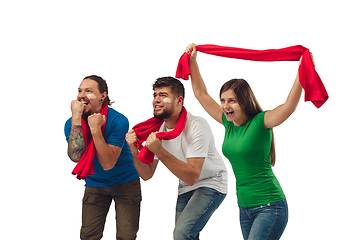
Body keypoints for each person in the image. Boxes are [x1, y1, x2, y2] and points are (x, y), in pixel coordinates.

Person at [185, 43, 314, 240]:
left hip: (270, 207)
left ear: (244, 101)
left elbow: (288, 107)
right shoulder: (228, 123)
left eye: (232, 101)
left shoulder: (261, 122)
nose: (225, 106)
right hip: (244, 208)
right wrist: (193, 61)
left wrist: (301, 71)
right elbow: (201, 94)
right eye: (223, 100)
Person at [125, 77, 228, 240]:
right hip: (185, 186)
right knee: (182, 236)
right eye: (155, 95)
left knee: (182, 233)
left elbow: (193, 176)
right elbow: (146, 174)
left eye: (163, 95)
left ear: (179, 100)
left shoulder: (197, 125)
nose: (156, 100)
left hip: (211, 182)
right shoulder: (158, 130)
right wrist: (132, 150)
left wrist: (159, 150)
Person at [64, 75, 141, 240]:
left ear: (103, 96)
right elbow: (76, 156)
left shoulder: (118, 120)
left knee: (126, 236)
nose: (81, 95)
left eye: (88, 91)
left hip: (125, 182)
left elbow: (108, 163)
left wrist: (96, 130)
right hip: (95, 183)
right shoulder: (71, 124)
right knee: (88, 236)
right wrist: (77, 118)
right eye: (79, 91)